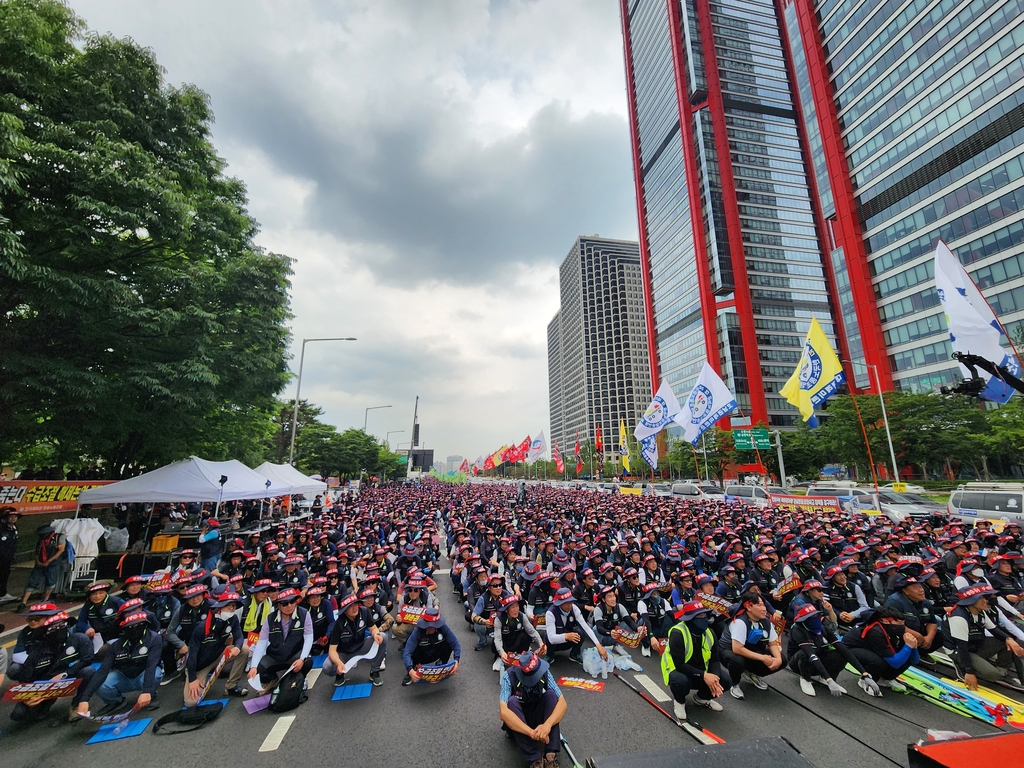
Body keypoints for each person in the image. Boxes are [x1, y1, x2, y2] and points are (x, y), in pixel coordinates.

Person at [7, 610, 94, 724]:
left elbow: (87, 659)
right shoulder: (39, 648)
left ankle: (77, 704)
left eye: (62, 626)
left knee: (89, 671)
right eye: (53, 628)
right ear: (46, 632)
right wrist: (26, 697)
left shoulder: (79, 639)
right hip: (46, 683)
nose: (58, 630)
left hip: (69, 675)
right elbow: (26, 673)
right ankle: (44, 705)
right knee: (18, 715)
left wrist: (65, 674)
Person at [76, 610, 163, 717]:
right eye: (130, 627)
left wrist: (147, 691)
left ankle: (151, 696)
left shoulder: (154, 639)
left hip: (144, 674)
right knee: (100, 682)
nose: (135, 629)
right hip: (123, 675)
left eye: (139, 625)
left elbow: (151, 665)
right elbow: (103, 670)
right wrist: (84, 699)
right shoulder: (116, 645)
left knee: (156, 674)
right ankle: (115, 701)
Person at [788, 603, 880, 698]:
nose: (816, 618)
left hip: (818, 655)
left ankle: (825, 677)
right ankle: (805, 678)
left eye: (817, 615)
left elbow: (844, 650)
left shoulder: (823, 629)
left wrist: (865, 674)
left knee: (840, 653)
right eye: (812, 616)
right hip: (799, 662)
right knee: (806, 654)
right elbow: (811, 655)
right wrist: (829, 680)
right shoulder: (797, 630)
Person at [945, 584, 1024, 690]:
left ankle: (1003, 670)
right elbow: (961, 647)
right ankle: (964, 669)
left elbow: (994, 630)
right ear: (971, 601)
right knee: (993, 675)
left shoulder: (980, 612)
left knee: (1008, 641)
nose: (986, 601)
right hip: (958, 650)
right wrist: (969, 672)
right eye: (981, 598)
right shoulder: (959, 617)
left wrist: (1009, 639)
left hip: (974, 644)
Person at [661, 600, 730, 721]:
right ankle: (679, 701)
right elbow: (680, 665)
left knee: (725, 680)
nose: (704, 619)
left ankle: (701, 698)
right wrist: (704, 676)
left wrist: (714, 679)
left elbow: (715, 659)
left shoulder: (710, 632)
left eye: (704, 615)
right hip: (680, 669)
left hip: (700, 670)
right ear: (690, 619)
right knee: (680, 681)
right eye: (700, 616)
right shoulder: (678, 633)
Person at [499, 650, 566, 768]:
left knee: (551, 695)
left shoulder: (544, 672)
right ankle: (535, 759)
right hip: (519, 720)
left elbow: (563, 703)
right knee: (511, 702)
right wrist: (531, 732)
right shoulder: (508, 676)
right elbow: (503, 713)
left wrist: (547, 725)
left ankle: (550, 754)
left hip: (538, 717)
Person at [248, 588, 314, 691]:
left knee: (308, 660)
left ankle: (302, 678)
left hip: (294, 655)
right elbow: (261, 643)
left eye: (292, 602)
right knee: (259, 667)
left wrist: (301, 658)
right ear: (278, 605)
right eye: (285, 604)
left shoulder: (304, 614)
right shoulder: (269, 619)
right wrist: (253, 666)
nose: (289, 606)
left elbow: (309, 638)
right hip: (275, 656)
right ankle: (272, 679)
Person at [719, 592, 783, 700]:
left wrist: (778, 659)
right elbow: (737, 649)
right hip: (730, 652)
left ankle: (751, 673)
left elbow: (772, 643)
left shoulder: (766, 622)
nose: (764, 608)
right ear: (749, 607)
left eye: (764, 605)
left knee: (783, 660)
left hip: (751, 650)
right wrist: (763, 658)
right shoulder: (739, 622)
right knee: (737, 660)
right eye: (759, 605)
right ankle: (734, 683)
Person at [841, 605, 920, 692]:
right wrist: (908, 646)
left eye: (903, 623)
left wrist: (914, 646)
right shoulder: (875, 632)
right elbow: (895, 663)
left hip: (870, 648)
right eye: (899, 623)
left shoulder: (892, 629)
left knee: (904, 653)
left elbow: (915, 660)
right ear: (885, 621)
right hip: (851, 649)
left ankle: (885, 678)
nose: (902, 626)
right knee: (878, 662)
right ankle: (866, 680)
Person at [184, 592, 243, 705]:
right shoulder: (202, 627)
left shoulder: (233, 618)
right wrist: (192, 679)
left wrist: (237, 646)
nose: (231, 609)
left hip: (219, 654)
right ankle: (195, 679)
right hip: (200, 664)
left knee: (244, 649)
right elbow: (192, 655)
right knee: (191, 703)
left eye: (234, 606)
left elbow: (239, 636)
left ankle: (231, 686)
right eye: (228, 605)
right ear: (220, 607)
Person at [324, 593, 385, 687]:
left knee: (383, 636)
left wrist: (376, 634)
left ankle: (375, 671)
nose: (354, 608)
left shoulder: (364, 611)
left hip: (361, 646)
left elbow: (373, 628)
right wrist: (339, 663)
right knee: (327, 667)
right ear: (344, 611)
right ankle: (340, 674)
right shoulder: (339, 623)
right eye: (350, 606)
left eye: (356, 604)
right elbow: (332, 650)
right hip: (345, 653)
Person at [545, 588, 608, 665]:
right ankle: (550, 655)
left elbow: (586, 628)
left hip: (568, 640)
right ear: (560, 604)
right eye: (567, 603)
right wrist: (566, 636)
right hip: (554, 642)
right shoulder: (550, 613)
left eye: (571, 602)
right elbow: (551, 638)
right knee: (547, 636)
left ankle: (574, 654)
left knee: (580, 632)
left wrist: (598, 645)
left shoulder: (574, 608)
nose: (570, 605)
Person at [401, 606, 462, 685]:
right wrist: (410, 670)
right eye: (428, 626)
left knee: (448, 643)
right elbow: (407, 652)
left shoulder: (443, 628)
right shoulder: (418, 631)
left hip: (436, 652)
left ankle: (441, 665)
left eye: (434, 626)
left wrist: (456, 661)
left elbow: (455, 644)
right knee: (412, 649)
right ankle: (412, 671)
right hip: (421, 656)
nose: (431, 628)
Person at [17, 524, 66, 611]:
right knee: (32, 581)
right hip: (40, 563)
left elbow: (60, 551)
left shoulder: (58, 537)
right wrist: (38, 562)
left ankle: (45, 600)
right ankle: (23, 602)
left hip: (53, 563)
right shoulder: (41, 540)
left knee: (50, 582)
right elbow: (37, 552)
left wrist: (48, 561)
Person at [494, 594, 546, 669]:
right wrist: (501, 652)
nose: (516, 610)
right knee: (494, 642)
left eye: (517, 606)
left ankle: (520, 656)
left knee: (526, 635)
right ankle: (500, 658)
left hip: (515, 641)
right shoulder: (499, 619)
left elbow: (531, 631)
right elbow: (498, 639)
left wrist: (540, 643)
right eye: (512, 607)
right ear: (506, 609)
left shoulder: (522, 616)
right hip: (504, 643)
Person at [75, 581, 125, 656]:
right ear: (89, 596)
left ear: (106, 593)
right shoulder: (87, 605)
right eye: (94, 594)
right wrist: (86, 628)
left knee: (100, 654)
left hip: (117, 636)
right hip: (98, 638)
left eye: (101, 593)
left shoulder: (117, 602)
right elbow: (80, 623)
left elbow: (130, 614)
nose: (97, 596)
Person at [0, 507, 19, 604]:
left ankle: (3, 594)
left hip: (8, 558)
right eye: (10, 517)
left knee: (5, 575)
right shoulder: (2, 529)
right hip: (1, 557)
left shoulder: (14, 529)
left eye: (15, 516)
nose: (13, 518)